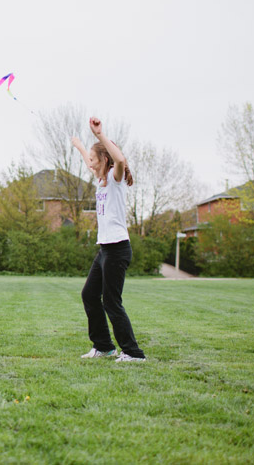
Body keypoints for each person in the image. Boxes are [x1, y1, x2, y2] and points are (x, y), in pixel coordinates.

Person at [71, 117, 146, 362]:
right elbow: (89, 161)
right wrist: (81, 147)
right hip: (105, 250)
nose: (89, 166)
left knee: (112, 302)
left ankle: (133, 353)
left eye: (94, 161)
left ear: (104, 160)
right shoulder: (101, 181)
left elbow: (120, 159)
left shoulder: (116, 179)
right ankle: (104, 346)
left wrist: (99, 135)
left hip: (117, 249)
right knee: (89, 295)